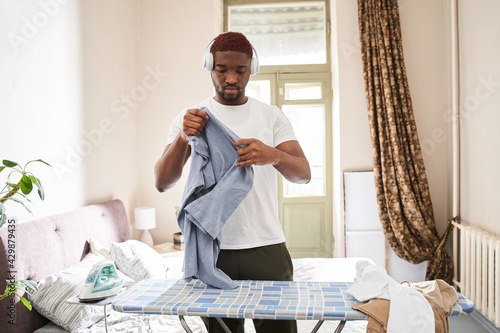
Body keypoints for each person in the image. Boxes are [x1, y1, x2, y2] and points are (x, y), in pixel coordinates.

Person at [154, 31, 310, 333]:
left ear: (251, 69)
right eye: (222, 69)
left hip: (267, 246)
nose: (230, 78)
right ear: (210, 67)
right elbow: (162, 182)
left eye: (240, 70)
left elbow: (303, 174)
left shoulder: (272, 117)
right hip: (213, 249)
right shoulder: (191, 119)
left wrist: (273, 156)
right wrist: (183, 138)